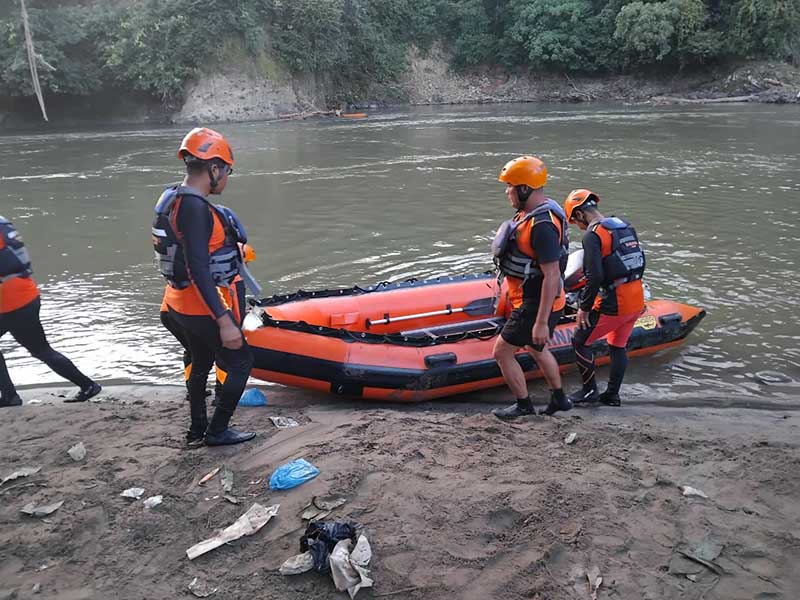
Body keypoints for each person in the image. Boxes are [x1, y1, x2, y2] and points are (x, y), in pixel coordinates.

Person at [153, 127, 255, 446]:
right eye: (226, 171)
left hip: (176, 304)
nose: (226, 178)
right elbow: (198, 266)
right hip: (200, 308)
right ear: (213, 169)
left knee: (199, 358)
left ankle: (197, 427)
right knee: (240, 361)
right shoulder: (196, 208)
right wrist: (224, 321)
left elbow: (186, 252)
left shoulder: (172, 197)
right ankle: (217, 430)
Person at [490, 156, 573, 419]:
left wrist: (540, 322)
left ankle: (524, 406)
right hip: (533, 299)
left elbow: (551, 276)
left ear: (525, 189)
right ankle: (560, 399)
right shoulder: (529, 214)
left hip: (535, 302)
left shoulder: (543, 226)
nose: (507, 192)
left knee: (502, 352)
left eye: (511, 186)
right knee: (537, 349)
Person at [0, 216, 101, 406]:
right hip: (26, 295)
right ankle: (87, 385)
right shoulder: (2, 224)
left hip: (10, 304)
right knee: (41, 350)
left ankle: (10, 396)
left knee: (41, 350)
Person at [563, 189, 646, 407]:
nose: (578, 226)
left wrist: (584, 307)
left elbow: (595, 276)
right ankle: (612, 395)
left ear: (580, 214)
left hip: (615, 302)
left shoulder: (592, 235)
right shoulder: (624, 225)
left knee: (580, 341)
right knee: (617, 346)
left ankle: (589, 391)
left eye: (575, 221)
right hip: (636, 296)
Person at [159, 242, 255, 410]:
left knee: (193, 353)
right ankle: (221, 395)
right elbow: (236, 315)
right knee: (226, 356)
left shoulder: (192, 269)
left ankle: (193, 391)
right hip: (199, 317)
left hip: (170, 314)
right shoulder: (234, 280)